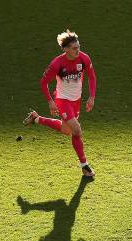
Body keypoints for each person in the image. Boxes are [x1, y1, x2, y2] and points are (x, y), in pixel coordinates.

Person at [23, 29, 97, 178]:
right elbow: (44, 82)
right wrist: (51, 102)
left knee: (66, 131)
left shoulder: (84, 59)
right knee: (77, 130)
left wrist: (91, 97)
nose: (78, 50)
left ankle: (36, 118)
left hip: (76, 100)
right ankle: (84, 166)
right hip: (62, 100)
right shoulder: (57, 63)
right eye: (74, 48)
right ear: (65, 49)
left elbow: (92, 77)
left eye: (79, 47)